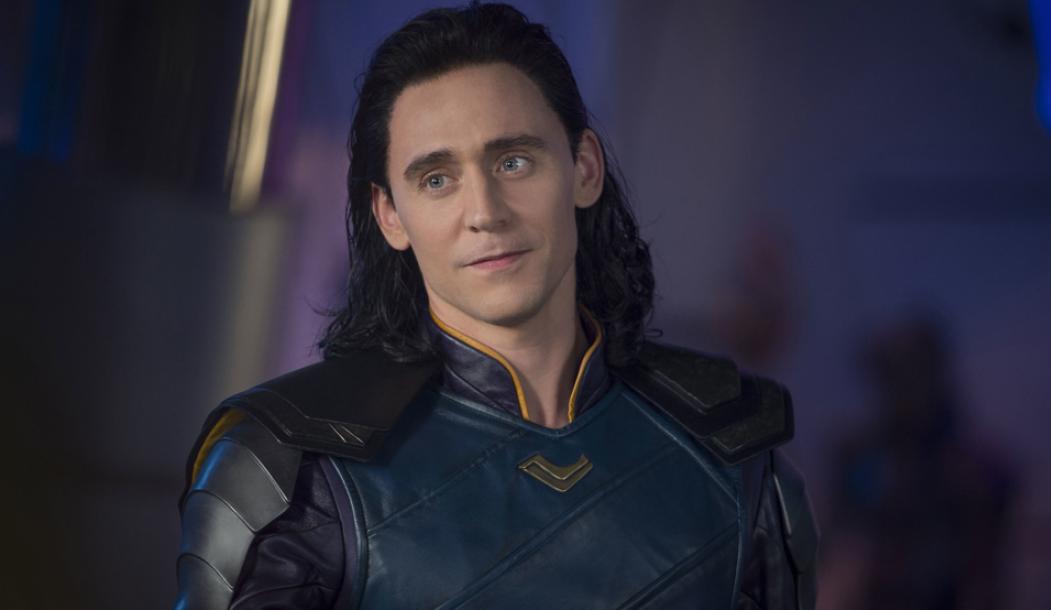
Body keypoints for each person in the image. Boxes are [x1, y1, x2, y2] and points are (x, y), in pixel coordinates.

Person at [174, 3, 817, 609]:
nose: (484, 212)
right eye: (437, 179)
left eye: (513, 161)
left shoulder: (733, 452)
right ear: (390, 215)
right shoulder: (290, 466)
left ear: (584, 169)